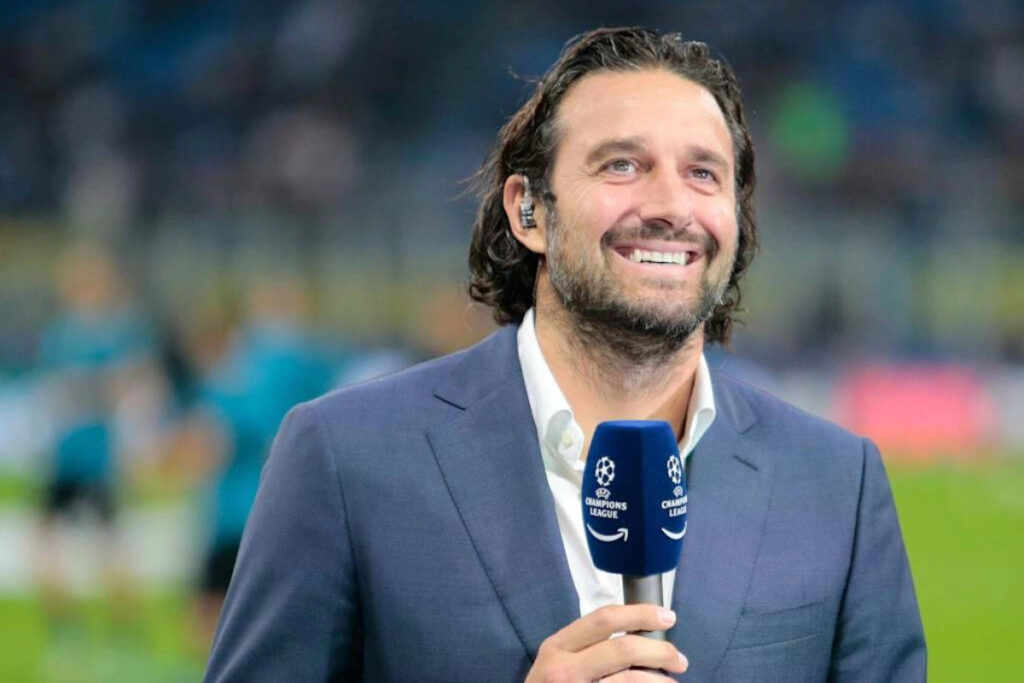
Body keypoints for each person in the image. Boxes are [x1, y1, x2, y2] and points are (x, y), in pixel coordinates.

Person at [204, 28, 926, 682]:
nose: (672, 205)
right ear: (529, 211)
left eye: (704, 173)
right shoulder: (345, 456)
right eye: (622, 165)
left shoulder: (837, 482)